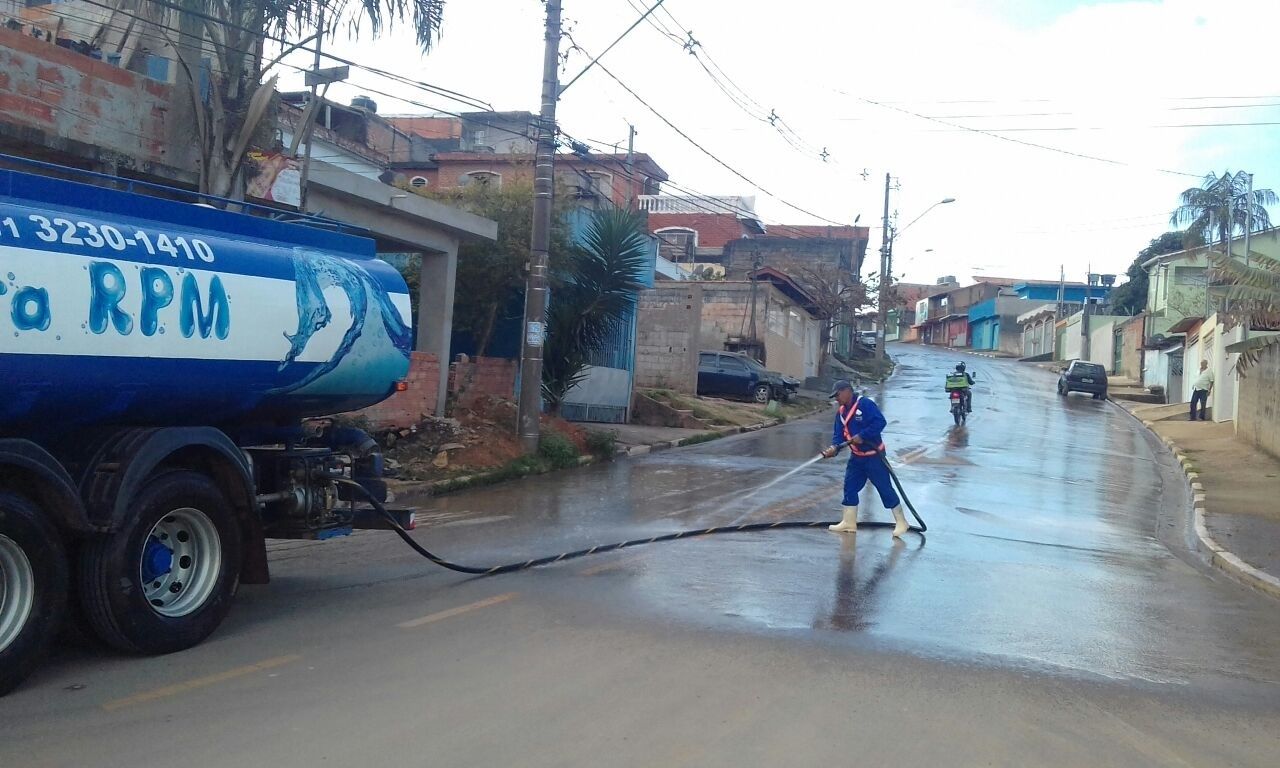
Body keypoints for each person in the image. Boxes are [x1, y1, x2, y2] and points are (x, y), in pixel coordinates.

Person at [821, 380, 909, 537]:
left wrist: (863, 436)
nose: (837, 399)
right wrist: (834, 448)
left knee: (884, 488)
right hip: (857, 458)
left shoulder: (865, 404)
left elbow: (880, 422)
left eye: (838, 395)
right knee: (850, 487)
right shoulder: (841, 413)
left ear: (847, 391)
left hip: (874, 457)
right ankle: (849, 522)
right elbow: (838, 435)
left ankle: (902, 522)